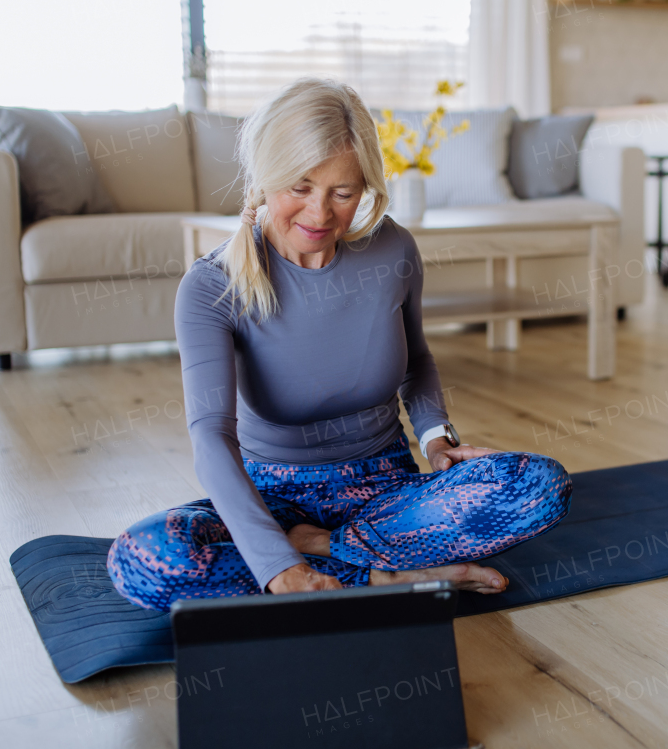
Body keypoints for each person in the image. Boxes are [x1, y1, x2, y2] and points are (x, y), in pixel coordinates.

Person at [107, 78, 571, 612]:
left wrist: (438, 442)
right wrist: (278, 564)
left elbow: (416, 361)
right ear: (264, 178)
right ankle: (385, 573)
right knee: (144, 559)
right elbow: (211, 436)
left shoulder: (393, 248)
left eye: (343, 193)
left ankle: (327, 551)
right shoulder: (212, 286)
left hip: (387, 489)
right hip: (270, 498)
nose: (320, 214)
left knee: (539, 485)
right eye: (299, 188)